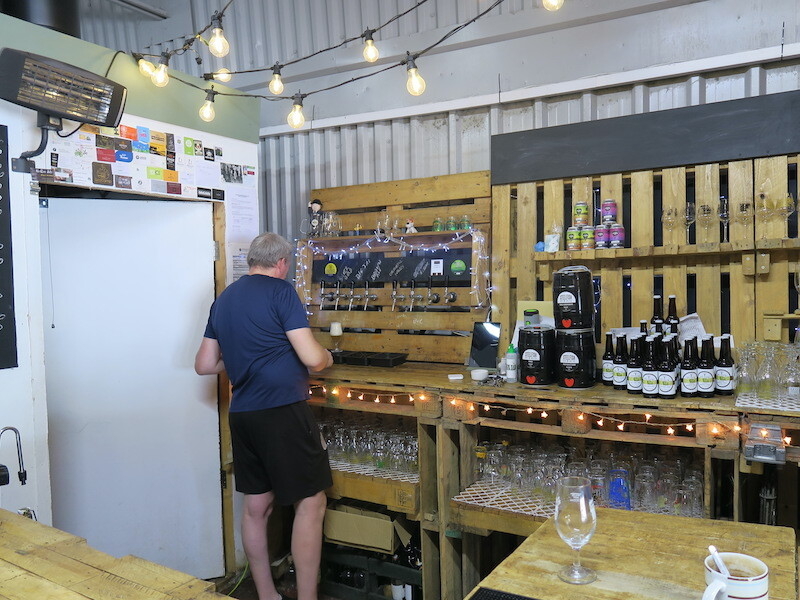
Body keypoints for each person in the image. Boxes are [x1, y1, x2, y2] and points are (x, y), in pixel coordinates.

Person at [195, 232, 333, 600]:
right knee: (311, 502)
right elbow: (313, 359)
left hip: (243, 415)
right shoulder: (281, 292)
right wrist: (327, 356)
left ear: (252, 260)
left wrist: (245, 361)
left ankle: (267, 595)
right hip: (282, 410)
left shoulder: (224, 299)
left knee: (257, 507)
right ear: (282, 263)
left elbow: (204, 364)